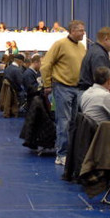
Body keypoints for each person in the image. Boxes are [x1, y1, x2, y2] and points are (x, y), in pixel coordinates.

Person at [41, 20, 86, 165]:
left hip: (76, 88)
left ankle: (70, 152)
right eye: (80, 30)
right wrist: (47, 84)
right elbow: (46, 65)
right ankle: (61, 154)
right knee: (63, 122)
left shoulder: (82, 47)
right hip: (62, 88)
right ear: (72, 31)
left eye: (83, 30)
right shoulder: (59, 44)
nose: (83, 33)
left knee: (73, 122)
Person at [78, 27, 110, 91]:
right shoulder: (99, 55)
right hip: (92, 92)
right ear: (106, 39)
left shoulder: (95, 50)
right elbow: (102, 80)